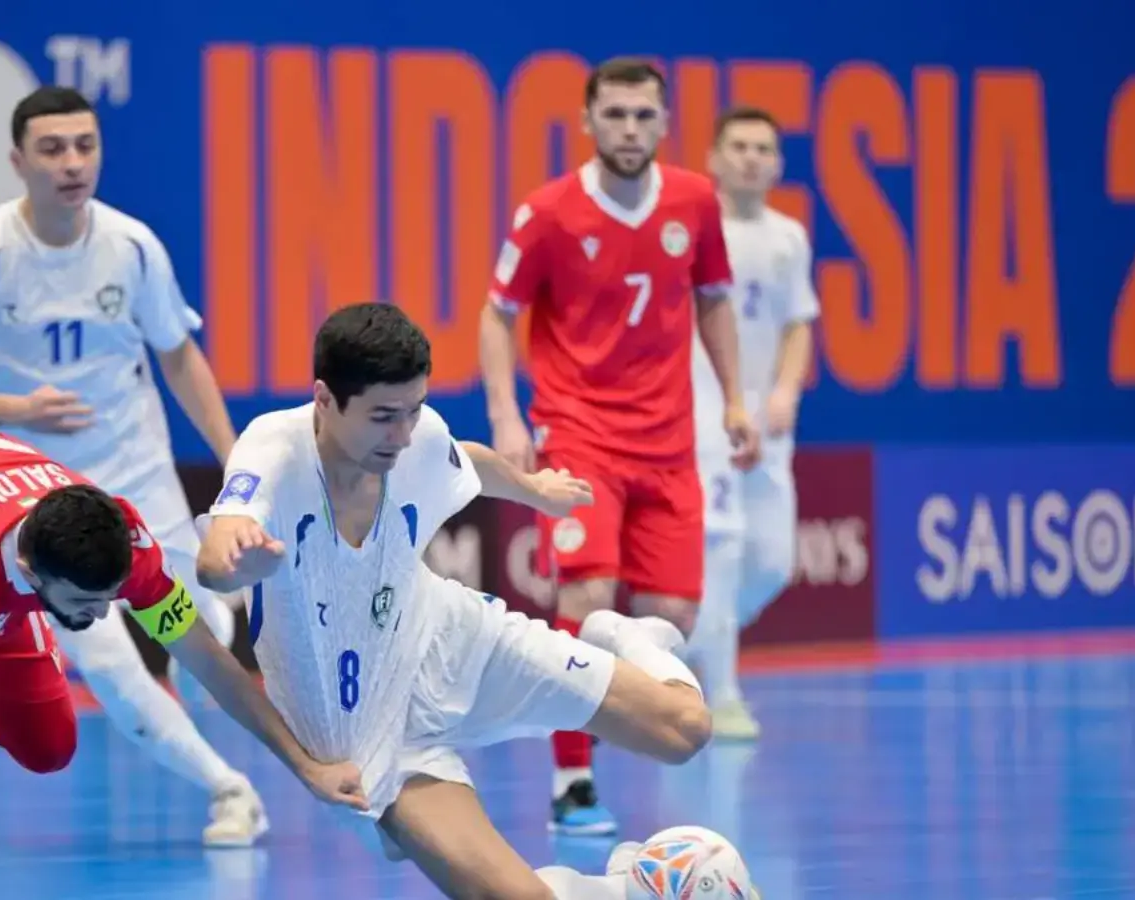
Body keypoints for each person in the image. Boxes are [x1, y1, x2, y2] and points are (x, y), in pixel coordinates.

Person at [198, 303, 717, 899]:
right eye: (383, 416)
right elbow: (216, 557)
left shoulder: (416, 437)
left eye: (414, 410)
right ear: (324, 399)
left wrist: (536, 492)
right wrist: (237, 560)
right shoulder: (273, 449)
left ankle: (631, 638)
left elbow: (462, 455)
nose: (402, 434)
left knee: (685, 731)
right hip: (367, 736)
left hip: (451, 643)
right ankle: (623, 887)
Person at [0, 86, 267, 845]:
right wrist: (15, 412)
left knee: (201, 618)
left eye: (85, 146)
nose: (72, 164)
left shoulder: (131, 245)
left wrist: (236, 461)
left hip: (136, 472)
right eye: (53, 149)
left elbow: (179, 353)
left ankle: (193, 652)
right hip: (37, 503)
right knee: (110, 667)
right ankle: (231, 790)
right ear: (18, 161)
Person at [0, 428, 367, 900]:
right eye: (82, 604)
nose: (100, 617)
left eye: (110, 598)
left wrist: (305, 765)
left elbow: (210, 661)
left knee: (49, 746)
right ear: (29, 571)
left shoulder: (128, 542)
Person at [478, 57, 758, 835]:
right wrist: (506, 414)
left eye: (643, 116)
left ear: (665, 124)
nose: (629, 130)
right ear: (588, 120)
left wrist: (734, 398)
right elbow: (497, 316)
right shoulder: (547, 214)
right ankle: (572, 780)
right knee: (586, 597)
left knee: (674, 618)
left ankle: (586, 696)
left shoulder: (696, 203)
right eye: (615, 115)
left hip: (668, 442)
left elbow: (713, 304)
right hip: (577, 433)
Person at [685, 107, 817, 740]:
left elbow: (799, 323)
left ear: (778, 164)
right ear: (713, 158)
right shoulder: (690, 228)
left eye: (763, 148)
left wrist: (787, 390)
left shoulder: (789, 238)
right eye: (737, 146)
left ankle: (685, 647)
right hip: (705, 415)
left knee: (771, 560)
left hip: (769, 421)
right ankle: (723, 693)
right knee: (723, 547)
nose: (749, 158)